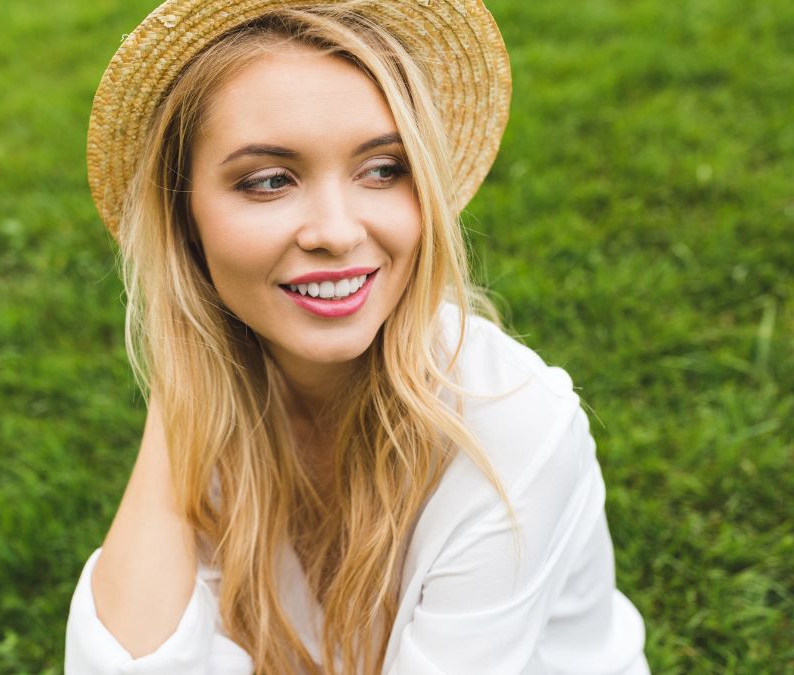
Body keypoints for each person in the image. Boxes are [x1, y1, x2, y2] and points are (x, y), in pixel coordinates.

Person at [65, 1, 649, 673]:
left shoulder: (511, 429)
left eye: (382, 169)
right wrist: (183, 375)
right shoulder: (224, 397)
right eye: (269, 181)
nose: (338, 231)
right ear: (185, 219)